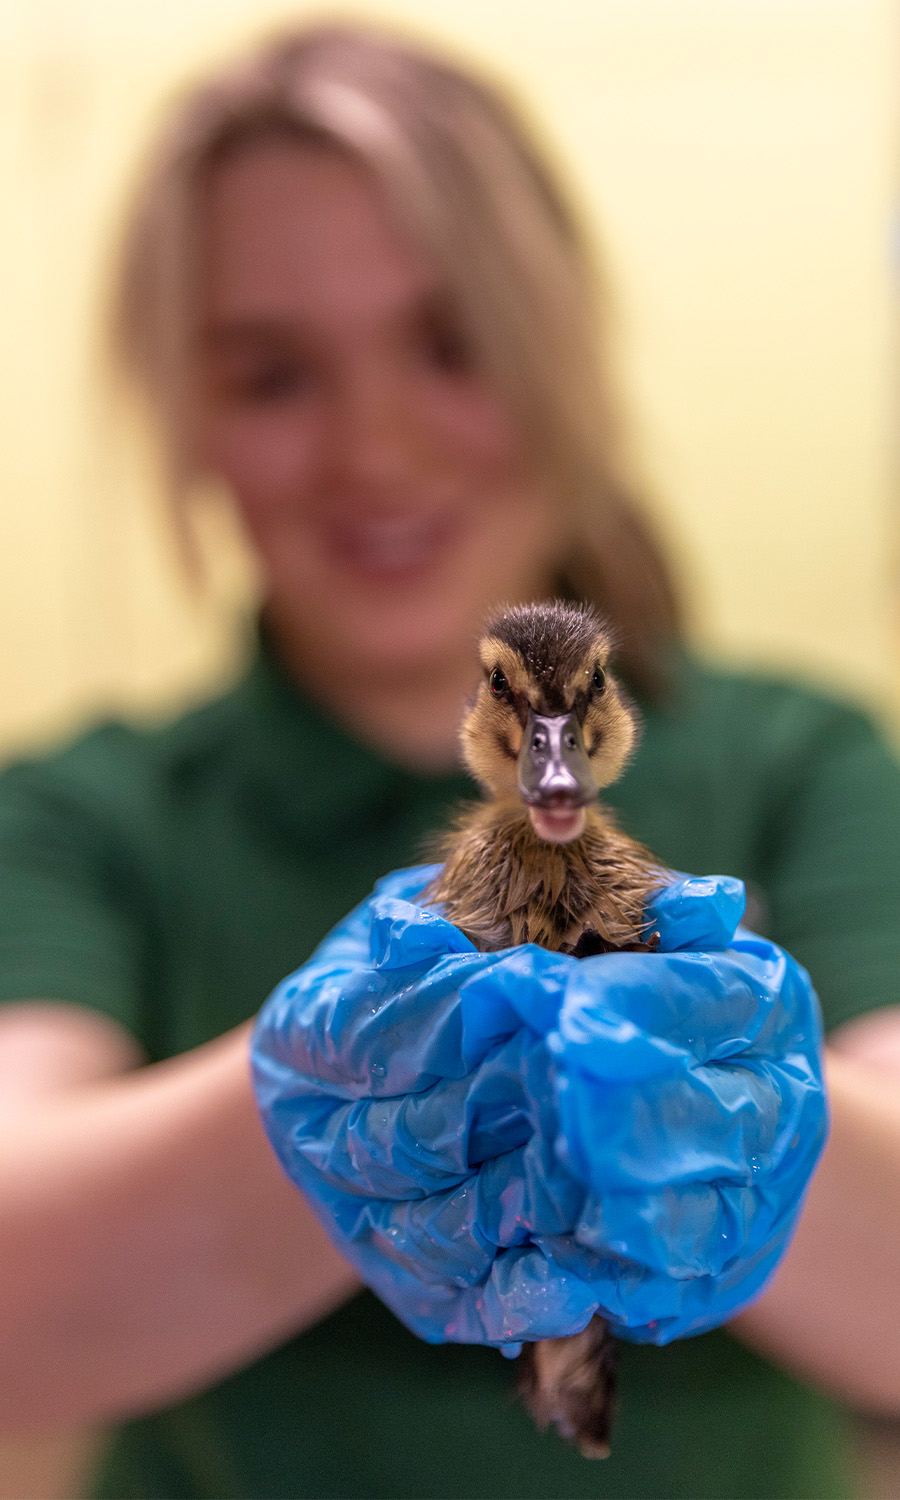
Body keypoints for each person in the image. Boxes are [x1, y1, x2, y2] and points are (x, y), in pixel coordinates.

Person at [0, 20, 898, 1500]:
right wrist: (325, 1095)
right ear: (190, 420)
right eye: (275, 375)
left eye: (452, 344)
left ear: (558, 349)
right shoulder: (82, 822)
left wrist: (733, 1104)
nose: (379, 450)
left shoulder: (803, 768)